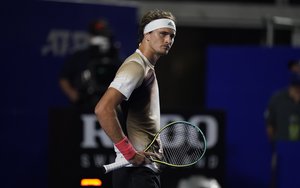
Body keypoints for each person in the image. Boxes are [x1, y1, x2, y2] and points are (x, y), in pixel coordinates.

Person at [94, 9, 176, 188]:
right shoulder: (136, 67)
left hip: (140, 172)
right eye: (163, 34)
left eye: (172, 36)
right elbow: (103, 109)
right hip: (136, 174)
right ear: (147, 34)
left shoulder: (144, 67)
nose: (168, 40)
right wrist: (129, 153)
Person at [59, 19, 121, 113]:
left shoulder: (114, 57)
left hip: (109, 103)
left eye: (103, 35)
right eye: (97, 35)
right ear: (91, 36)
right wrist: (72, 94)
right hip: (84, 104)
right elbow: (63, 77)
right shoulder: (80, 56)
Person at [265, 64, 300, 188]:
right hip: (282, 151)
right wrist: (277, 146)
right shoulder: (278, 99)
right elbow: (270, 127)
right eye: (296, 69)